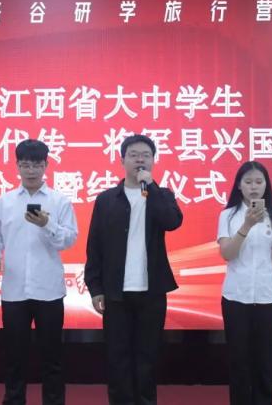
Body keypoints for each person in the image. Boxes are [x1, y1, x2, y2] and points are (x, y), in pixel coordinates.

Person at [84, 134, 183, 405]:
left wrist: (152, 188)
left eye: (146, 155)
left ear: (153, 161)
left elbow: (172, 221)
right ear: (122, 160)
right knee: (117, 358)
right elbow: (95, 245)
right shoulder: (106, 200)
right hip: (116, 292)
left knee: (147, 357)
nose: (140, 160)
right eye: (134, 155)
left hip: (151, 292)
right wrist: (95, 287)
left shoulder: (162, 195)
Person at [0, 139, 78, 405]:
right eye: (25, 165)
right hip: (14, 291)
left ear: (46, 165)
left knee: (52, 358)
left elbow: (69, 239)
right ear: (17, 166)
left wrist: (48, 224)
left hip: (49, 291)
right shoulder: (5, 201)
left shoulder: (59, 201)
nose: (31, 171)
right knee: (14, 358)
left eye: (37, 165)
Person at [217, 161, 272, 405]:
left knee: (263, 361)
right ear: (239, 186)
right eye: (248, 182)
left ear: (266, 185)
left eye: (259, 182)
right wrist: (246, 225)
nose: (254, 187)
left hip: (268, 299)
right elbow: (227, 254)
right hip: (235, 298)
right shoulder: (228, 216)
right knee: (238, 361)